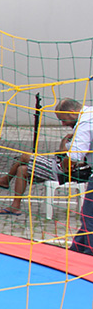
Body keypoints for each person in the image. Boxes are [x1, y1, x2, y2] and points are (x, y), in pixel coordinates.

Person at [50, 99, 93, 254]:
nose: (63, 124)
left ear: (72, 113)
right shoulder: (90, 114)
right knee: (88, 215)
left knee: (89, 217)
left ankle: (88, 256)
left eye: (63, 119)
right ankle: (76, 250)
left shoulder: (85, 122)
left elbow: (74, 155)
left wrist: (65, 166)